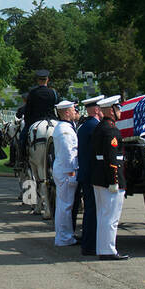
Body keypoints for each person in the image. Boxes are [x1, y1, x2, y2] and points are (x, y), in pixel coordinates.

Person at [92, 95, 130, 260]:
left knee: (103, 216)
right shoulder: (111, 130)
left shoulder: (101, 127)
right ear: (110, 110)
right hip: (109, 178)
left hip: (99, 176)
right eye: (118, 108)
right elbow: (111, 158)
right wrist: (114, 180)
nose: (120, 111)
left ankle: (103, 248)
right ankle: (108, 250)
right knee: (111, 217)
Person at [75, 96, 104, 255]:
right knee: (93, 210)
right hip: (92, 175)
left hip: (86, 173)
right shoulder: (94, 126)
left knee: (90, 210)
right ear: (96, 109)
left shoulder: (86, 125)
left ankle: (88, 241)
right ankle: (90, 244)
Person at [51, 100, 80, 247]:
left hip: (63, 170)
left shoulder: (64, 127)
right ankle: (64, 237)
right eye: (74, 109)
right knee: (65, 206)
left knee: (64, 205)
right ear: (67, 113)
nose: (76, 111)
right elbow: (69, 153)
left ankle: (65, 236)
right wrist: (72, 172)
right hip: (66, 171)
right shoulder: (65, 130)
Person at [17, 70, 59, 160]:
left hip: (36, 119)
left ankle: (21, 158)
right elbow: (57, 107)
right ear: (47, 80)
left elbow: (28, 110)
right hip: (51, 119)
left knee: (22, 137)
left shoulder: (33, 93)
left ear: (38, 81)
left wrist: (27, 122)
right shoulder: (53, 92)